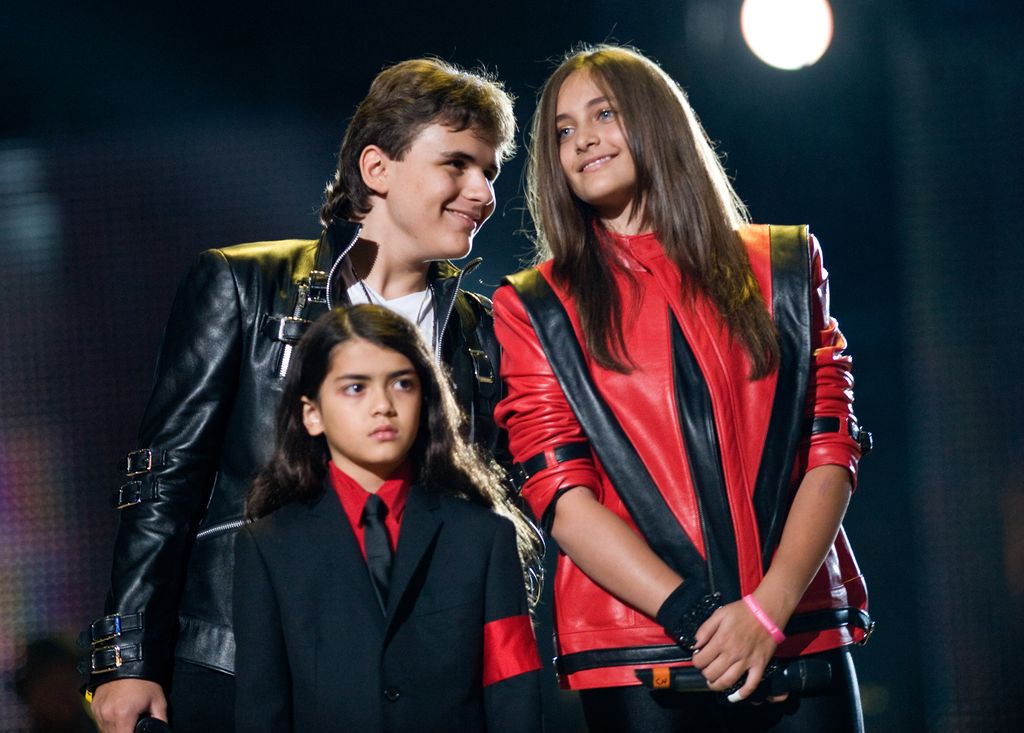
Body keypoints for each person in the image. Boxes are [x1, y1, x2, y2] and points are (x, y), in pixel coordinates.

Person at [85, 58, 517, 733]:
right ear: (377, 169)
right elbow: (164, 479)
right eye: (458, 163)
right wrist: (126, 657)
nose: (482, 190)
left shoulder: (484, 334)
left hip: (408, 684)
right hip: (234, 657)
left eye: (490, 171)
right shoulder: (244, 286)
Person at [493, 44, 873, 732]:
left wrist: (766, 610)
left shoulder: (787, 263)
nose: (582, 142)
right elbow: (559, 493)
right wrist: (702, 619)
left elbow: (832, 448)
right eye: (563, 132)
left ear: (654, 121)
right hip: (641, 656)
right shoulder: (534, 307)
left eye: (602, 114)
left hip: (797, 633)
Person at [232, 304, 542, 732]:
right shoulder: (269, 545)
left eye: (402, 384)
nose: (383, 406)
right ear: (312, 413)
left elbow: (514, 688)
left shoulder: (483, 537)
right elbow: (261, 705)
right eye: (355, 388)